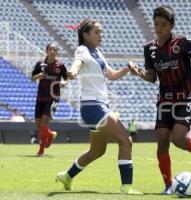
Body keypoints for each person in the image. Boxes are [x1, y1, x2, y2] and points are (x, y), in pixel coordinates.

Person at [129, 6, 191, 194]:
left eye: (164, 25)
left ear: (171, 25)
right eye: (156, 24)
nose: (159, 28)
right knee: (161, 143)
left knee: (177, 138)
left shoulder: (182, 43)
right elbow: (152, 77)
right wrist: (139, 74)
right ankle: (168, 186)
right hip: (165, 101)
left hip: (185, 99)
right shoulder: (149, 49)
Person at [56, 18, 142, 195]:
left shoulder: (97, 53)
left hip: (95, 108)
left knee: (97, 151)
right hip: (94, 108)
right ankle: (127, 188)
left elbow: (112, 75)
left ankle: (67, 176)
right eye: (97, 32)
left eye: (101, 32)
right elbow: (77, 63)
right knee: (126, 140)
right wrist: (72, 71)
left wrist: (127, 68)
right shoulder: (82, 50)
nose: (100, 35)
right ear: (85, 35)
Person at [31, 42, 68, 157]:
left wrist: (63, 82)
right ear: (47, 51)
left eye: (55, 50)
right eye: (50, 49)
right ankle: (50, 134)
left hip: (53, 97)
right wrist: (39, 76)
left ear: (57, 52)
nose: (52, 51)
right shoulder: (40, 64)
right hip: (41, 96)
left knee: (44, 123)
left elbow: (66, 78)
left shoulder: (60, 65)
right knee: (38, 126)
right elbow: (32, 78)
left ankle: (41, 151)